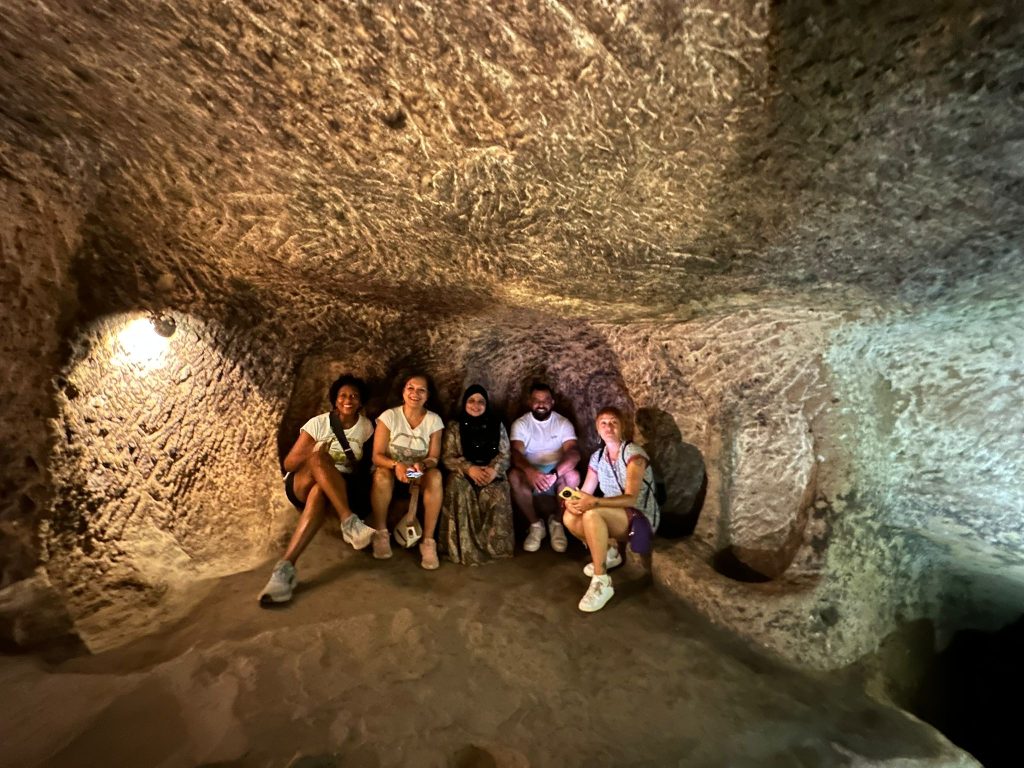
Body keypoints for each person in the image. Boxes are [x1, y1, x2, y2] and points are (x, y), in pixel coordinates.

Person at [259, 374, 377, 604]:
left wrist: (413, 473)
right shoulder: (319, 423)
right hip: (302, 482)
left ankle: (285, 569)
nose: (348, 400)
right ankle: (349, 522)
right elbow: (289, 464)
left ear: (361, 402)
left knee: (320, 491)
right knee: (318, 459)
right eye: (343, 395)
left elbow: (369, 465)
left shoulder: (366, 428)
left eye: (354, 396)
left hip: (335, 488)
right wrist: (314, 448)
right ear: (335, 400)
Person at [562, 406, 661, 613]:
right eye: (604, 423)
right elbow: (587, 491)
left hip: (639, 516)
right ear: (597, 429)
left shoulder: (634, 454)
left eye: (614, 422)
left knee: (592, 513)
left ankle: (602, 581)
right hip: (615, 514)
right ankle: (609, 551)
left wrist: (594, 503)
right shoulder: (598, 458)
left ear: (622, 427)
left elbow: (631, 498)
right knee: (570, 516)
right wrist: (572, 501)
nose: (609, 427)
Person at [369, 372, 445, 569]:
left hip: (415, 473)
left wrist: (423, 465)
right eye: (410, 388)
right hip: (393, 470)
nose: (415, 393)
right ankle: (381, 533)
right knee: (381, 475)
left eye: (421, 390)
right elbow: (376, 456)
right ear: (403, 392)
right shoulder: (389, 417)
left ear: (427, 396)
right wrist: (397, 465)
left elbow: (434, 458)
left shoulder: (434, 421)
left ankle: (428, 542)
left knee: (435, 476)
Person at [438, 384, 514, 565]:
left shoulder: (497, 424)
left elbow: (505, 454)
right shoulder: (455, 426)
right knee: (457, 485)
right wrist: (468, 468)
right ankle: (463, 549)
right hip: (464, 474)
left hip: (491, 473)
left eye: (481, 401)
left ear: (486, 404)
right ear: (465, 403)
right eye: (471, 401)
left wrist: (493, 470)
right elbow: (447, 457)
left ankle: (495, 550)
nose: (476, 405)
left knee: (499, 491)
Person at [508, 382, 580, 553]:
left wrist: (555, 474)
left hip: (556, 473)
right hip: (532, 474)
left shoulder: (563, 423)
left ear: (552, 402)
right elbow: (516, 454)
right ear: (529, 402)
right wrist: (530, 471)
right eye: (536, 400)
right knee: (513, 476)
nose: (541, 404)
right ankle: (535, 525)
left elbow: (574, 454)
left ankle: (557, 523)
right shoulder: (521, 424)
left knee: (574, 477)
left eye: (545, 400)